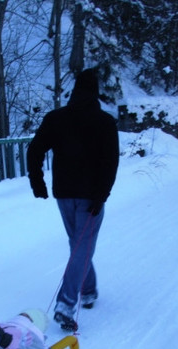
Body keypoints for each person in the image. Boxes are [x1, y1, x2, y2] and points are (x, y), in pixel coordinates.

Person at [27, 68, 119, 331]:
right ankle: (66, 303)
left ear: (75, 91)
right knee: (81, 246)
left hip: (65, 194)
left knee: (78, 245)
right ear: (95, 93)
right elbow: (111, 162)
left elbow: (34, 150)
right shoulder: (105, 122)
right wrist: (102, 195)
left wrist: (37, 181)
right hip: (91, 197)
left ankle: (88, 290)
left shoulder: (57, 118)